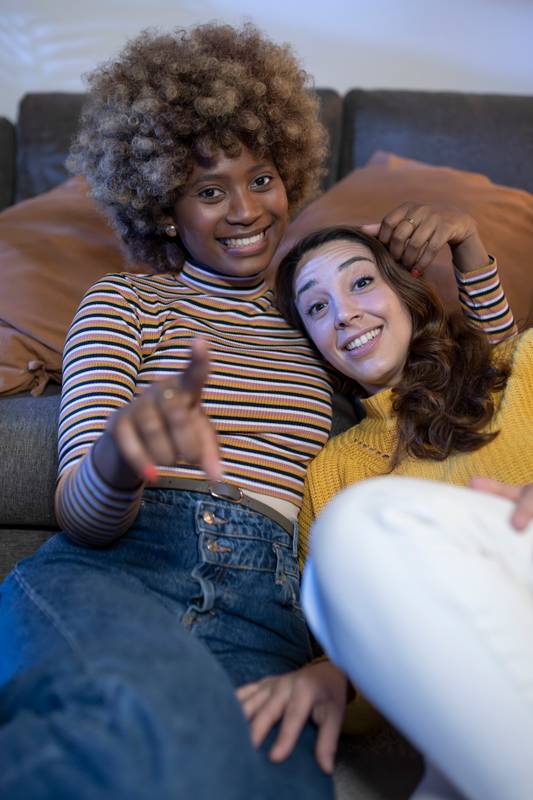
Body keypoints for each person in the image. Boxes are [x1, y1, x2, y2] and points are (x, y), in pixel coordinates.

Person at [0, 23, 504, 799]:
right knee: (123, 719)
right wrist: (121, 458)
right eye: (208, 190)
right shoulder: (124, 302)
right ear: (165, 209)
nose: (244, 210)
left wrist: (466, 248)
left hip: (268, 607)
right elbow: (82, 513)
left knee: (274, 780)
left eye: (261, 178)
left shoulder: (320, 314)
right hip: (120, 566)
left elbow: (491, 378)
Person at [246, 210, 532, 800]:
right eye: (317, 308)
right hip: (475, 667)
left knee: (365, 519)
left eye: (360, 282)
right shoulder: (332, 473)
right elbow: (361, 642)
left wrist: (468, 240)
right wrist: (335, 675)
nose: (345, 313)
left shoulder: (518, 369)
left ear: (407, 297)